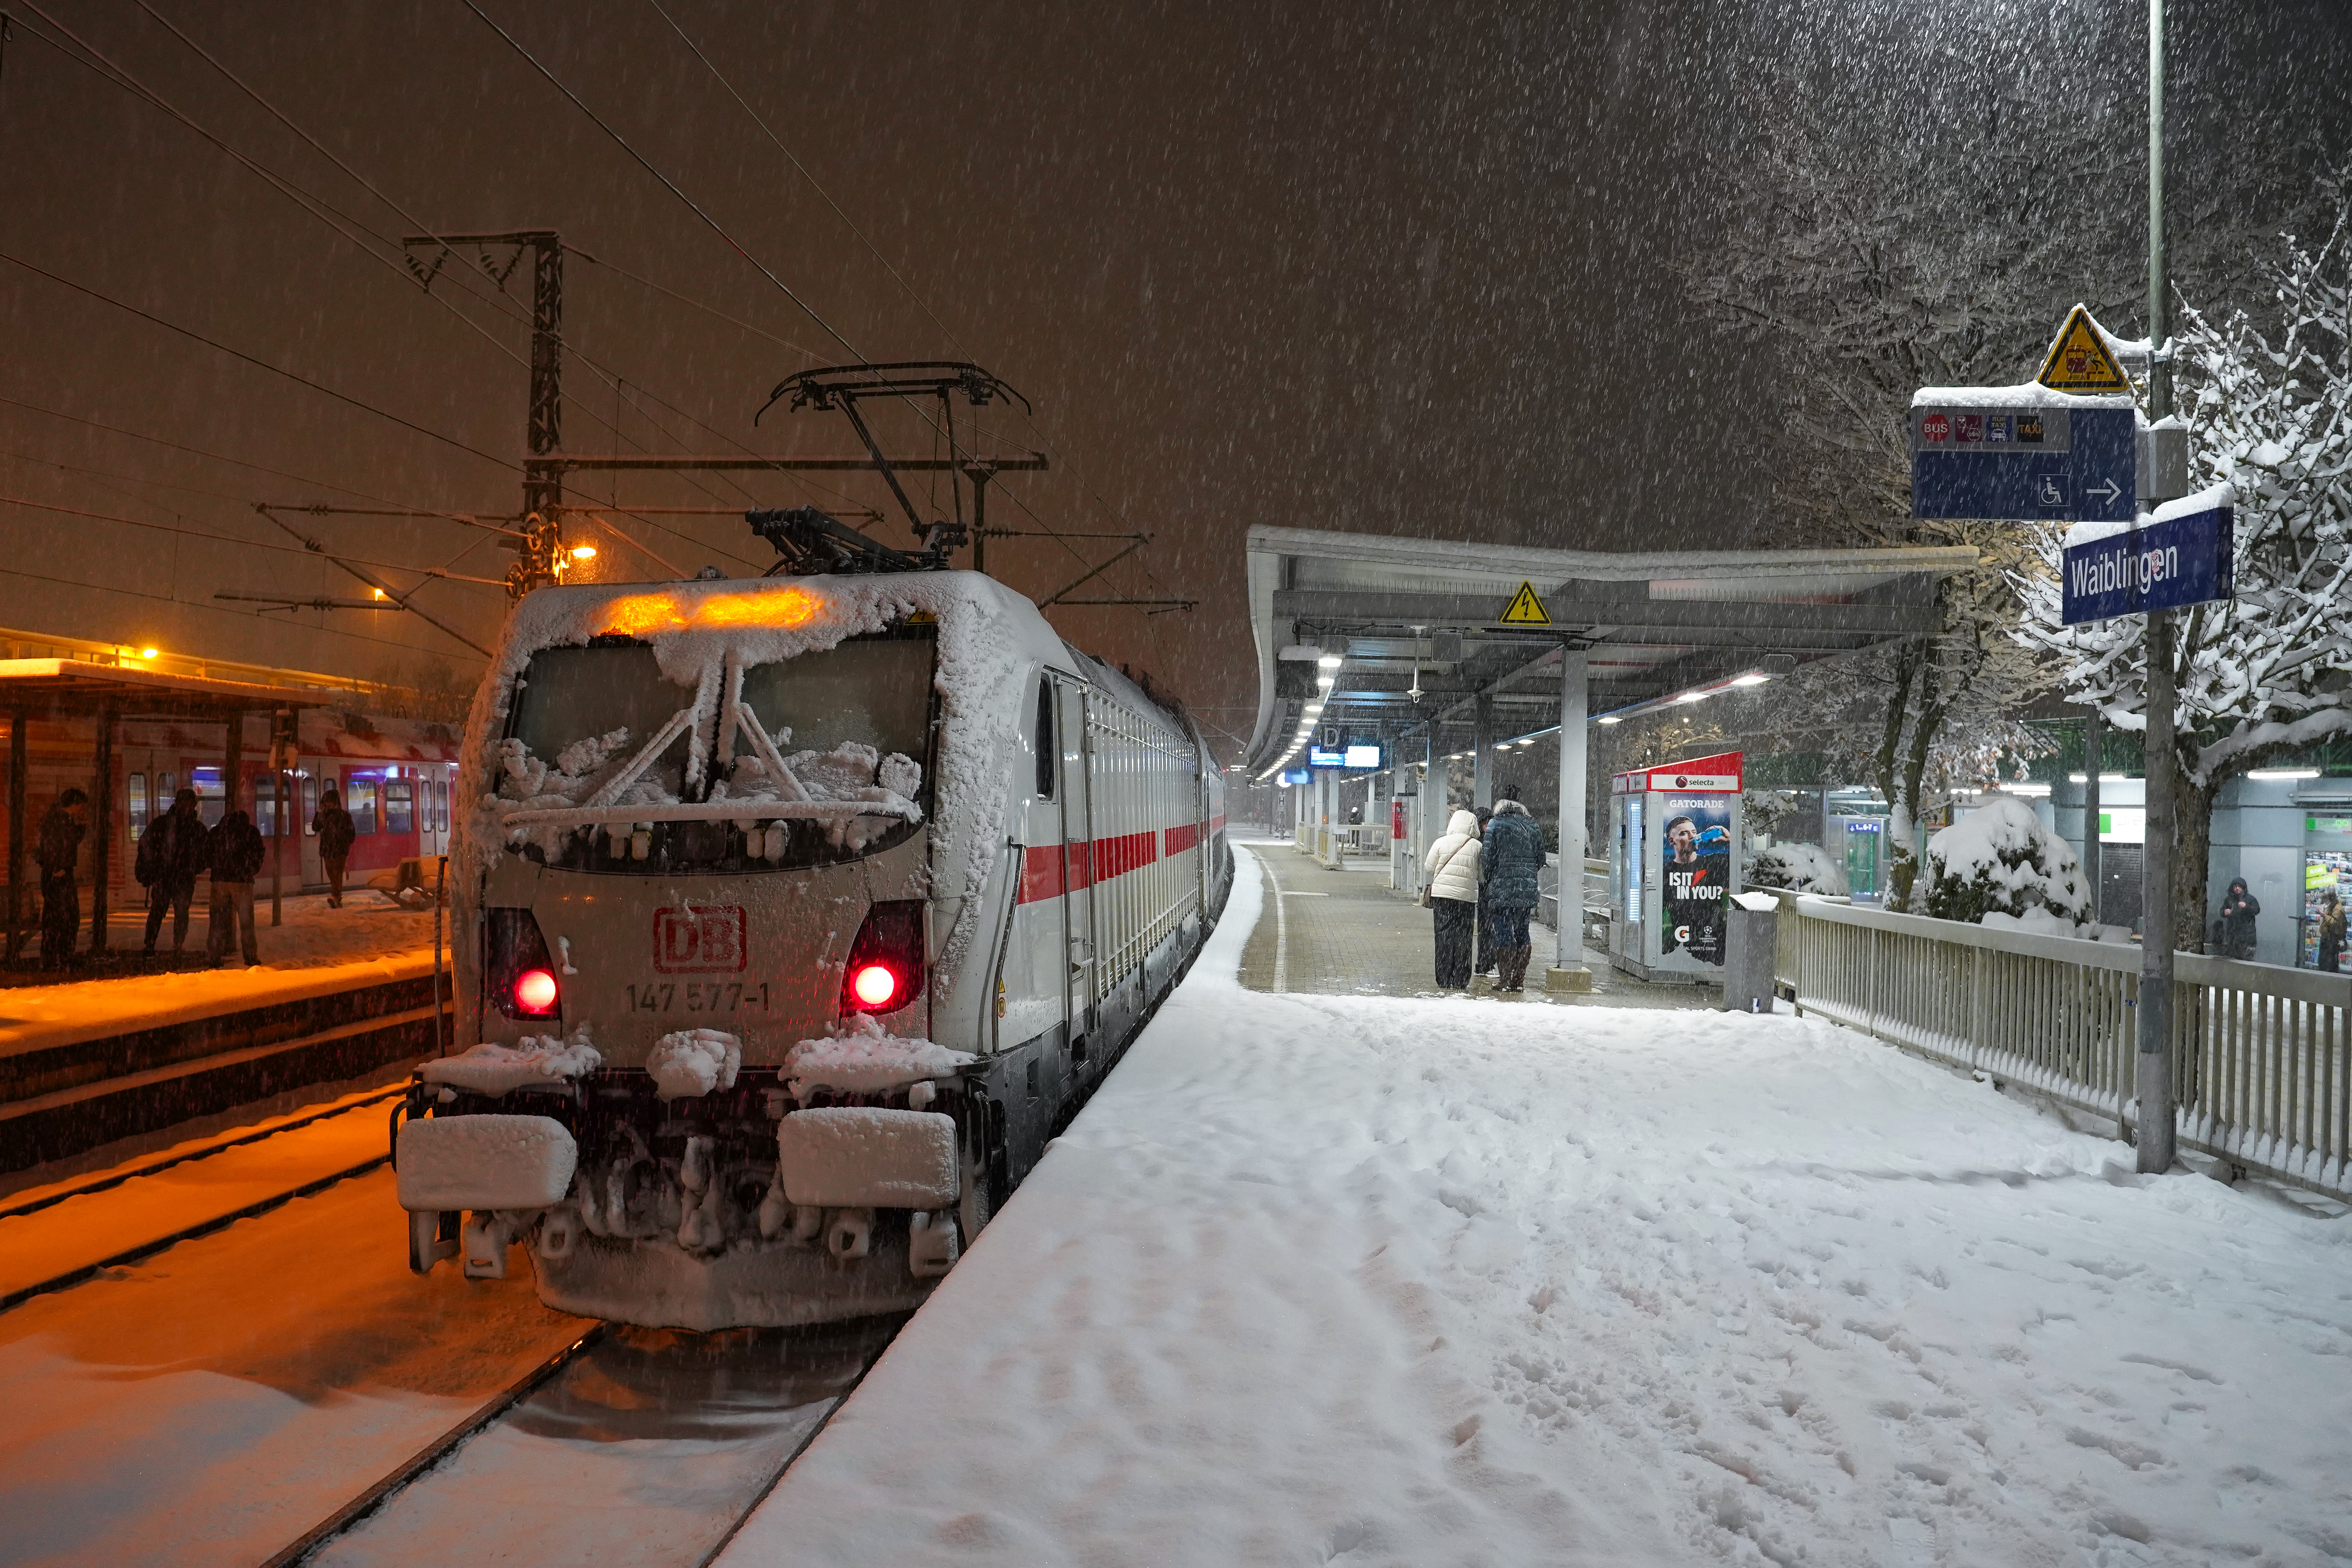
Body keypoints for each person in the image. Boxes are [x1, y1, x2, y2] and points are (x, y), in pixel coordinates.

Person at [1482, 787, 1547, 993]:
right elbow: (1541, 859)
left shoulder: (1495, 824)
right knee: (1523, 932)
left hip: (1502, 889)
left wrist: (1496, 876)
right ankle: (1519, 979)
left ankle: (1505, 979)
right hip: (1525, 890)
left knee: (1503, 932)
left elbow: (1488, 859)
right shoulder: (1533, 825)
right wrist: (1526, 875)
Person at [137, 786, 207, 955]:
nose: (188, 808)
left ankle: (151, 944)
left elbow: (146, 846)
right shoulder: (197, 829)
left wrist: (152, 870)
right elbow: (205, 854)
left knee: (159, 910)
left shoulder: (162, 824)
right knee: (180, 912)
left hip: (166, 875)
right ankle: (176, 944)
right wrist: (192, 869)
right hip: (180, 876)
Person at [1423, 806, 1483, 991]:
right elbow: (1481, 875)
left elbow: (1428, 867)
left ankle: (1443, 977)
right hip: (1466, 898)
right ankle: (1461, 978)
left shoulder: (1441, 842)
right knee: (1464, 937)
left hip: (1443, 897)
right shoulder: (1478, 846)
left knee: (1443, 935)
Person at [1660, 811, 1731, 965]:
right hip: (1681, 948)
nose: (1692, 837)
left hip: (1714, 946)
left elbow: (1740, 866)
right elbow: (1656, 912)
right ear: (1672, 840)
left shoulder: (1714, 863)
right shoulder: (1666, 872)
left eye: (1694, 832)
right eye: (1685, 833)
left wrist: (1729, 840)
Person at [205, 801, 267, 966]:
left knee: (217, 922)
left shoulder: (217, 832)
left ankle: (214, 957)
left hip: (220, 881)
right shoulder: (251, 832)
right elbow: (259, 852)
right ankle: (250, 957)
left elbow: (207, 854)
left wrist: (217, 868)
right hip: (243, 882)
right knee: (247, 923)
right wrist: (251, 869)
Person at [34, 787, 89, 970]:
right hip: (59, 874)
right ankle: (61, 957)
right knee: (64, 918)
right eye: (80, 805)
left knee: (59, 918)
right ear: (74, 804)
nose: (81, 808)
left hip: (58, 873)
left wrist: (80, 825)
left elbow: (68, 841)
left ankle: (56, 957)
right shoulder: (57, 821)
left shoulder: (58, 819)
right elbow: (50, 846)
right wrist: (55, 869)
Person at [312, 785, 356, 907]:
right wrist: (319, 813)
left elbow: (351, 834)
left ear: (335, 801)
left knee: (337, 873)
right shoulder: (324, 815)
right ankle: (337, 895)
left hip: (340, 850)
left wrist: (341, 839)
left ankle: (335, 896)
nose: (328, 805)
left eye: (329, 802)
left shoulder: (345, 816)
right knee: (332, 873)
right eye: (326, 802)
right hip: (328, 849)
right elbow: (315, 827)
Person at [1471, 803, 1497, 978]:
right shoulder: (1484, 842)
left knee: (1486, 928)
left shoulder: (1477, 841)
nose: (1486, 826)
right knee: (1488, 928)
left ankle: (1485, 963)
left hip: (1484, 890)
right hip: (1487, 890)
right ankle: (1486, 963)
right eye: (1483, 823)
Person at [2213, 877, 2260, 961]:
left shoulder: (2251, 899)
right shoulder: (2229, 900)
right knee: (2232, 961)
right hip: (2232, 937)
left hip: (2248, 937)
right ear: (2232, 888)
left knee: (2247, 961)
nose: (2237, 889)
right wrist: (2225, 912)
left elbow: (2257, 910)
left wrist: (2246, 907)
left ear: (2243, 888)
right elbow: (2222, 912)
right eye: (2235, 887)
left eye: (2240, 886)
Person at [2319, 889, 2347, 975]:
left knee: (2329, 965)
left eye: (2325, 899)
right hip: (2327, 940)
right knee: (2323, 963)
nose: (2324, 901)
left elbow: (2336, 925)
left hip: (2332, 941)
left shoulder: (2338, 909)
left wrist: (2325, 916)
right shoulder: (2332, 907)